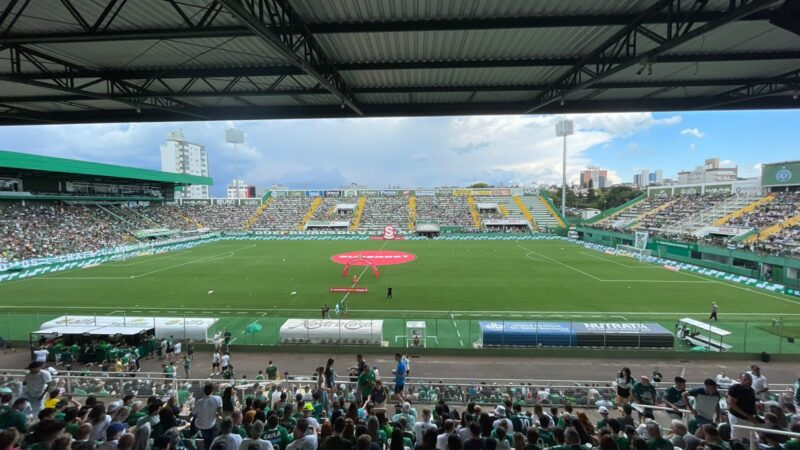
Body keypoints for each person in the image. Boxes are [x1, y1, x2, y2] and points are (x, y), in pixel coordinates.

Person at [727, 372, 760, 441]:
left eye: (750, 380)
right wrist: (748, 416)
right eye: (745, 379)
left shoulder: (751, 390)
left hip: (749, 418)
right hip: (737, 418)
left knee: (749, 438)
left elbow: (751, 403)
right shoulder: (735, 388)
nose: (748, 381)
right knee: (737, 438)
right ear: (740, 379)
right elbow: (732, 404)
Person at [193, 383, 223, 450]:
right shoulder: (218, 398)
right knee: (212, 443)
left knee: (207, 442)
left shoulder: (199, 401)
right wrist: (216, 415)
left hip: (201, 425)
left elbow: (192, 414)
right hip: (211, 425)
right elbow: (220, 413)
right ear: (212, 390)